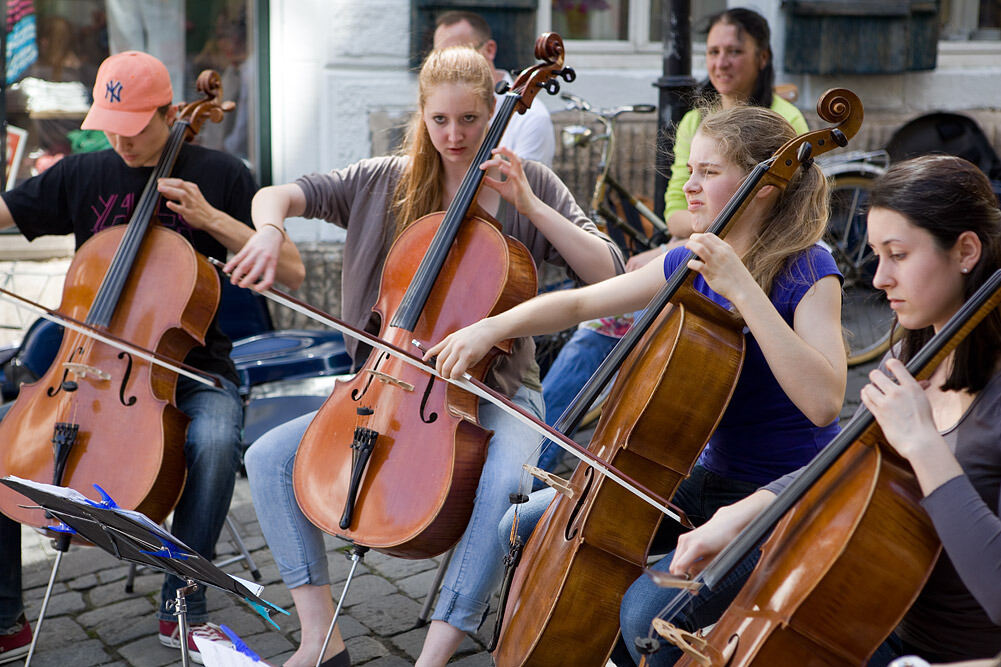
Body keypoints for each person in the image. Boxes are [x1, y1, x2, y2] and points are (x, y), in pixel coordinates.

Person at [233, 46, 623, 667]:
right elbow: (279, 195)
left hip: (497, 389)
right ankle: (319, 640)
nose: (454, 135)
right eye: (440, 121)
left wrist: (531, 205)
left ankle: (435, 654)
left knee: (503, 485)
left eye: (469, 120)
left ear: (494, 112)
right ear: (422, 115)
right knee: (270, 456)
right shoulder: (383, 180)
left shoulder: (527, 181)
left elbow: (608, 272)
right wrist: (270, 231)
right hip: (385, 383)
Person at [428, 103, 845, 661]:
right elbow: (580, 302)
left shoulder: (809, 269)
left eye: (708, 173)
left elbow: (825, 401)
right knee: (524, 524)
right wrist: (491, 327)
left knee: (648, 613)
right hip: (700, 477)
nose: (688, 188)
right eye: (690, 170)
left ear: (762, 186)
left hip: (781, 494)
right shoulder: (688, 261)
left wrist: (743, 288)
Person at [626, 155, 1001, 666]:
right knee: (649, 610)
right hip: (871, 615)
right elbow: (844, 463)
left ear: (966, 251)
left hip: (949, 655)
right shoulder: (909, 358)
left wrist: (924, 448)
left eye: (898, 255)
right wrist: (741, 515)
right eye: (876, 255)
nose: (880, 280)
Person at [0, 50, 305, 665]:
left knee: (216, 441)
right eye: (110, 123)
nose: (121, 140)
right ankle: (8, 615)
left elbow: (291, 269)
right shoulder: (84, 173)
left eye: (135, 127)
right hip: (87, 370)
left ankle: (184, 599)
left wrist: (212, 218)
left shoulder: (222, 173)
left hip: (193, 369)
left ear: (170, 113)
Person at [533, 7, 810, 480]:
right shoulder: (692, 123)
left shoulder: (783, 124)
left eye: (734, 52)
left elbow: (781, 210)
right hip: (693, 249)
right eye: (714, 52)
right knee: (600, 319)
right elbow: (674, 210)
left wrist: (689, 236)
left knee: (624, 305)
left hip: (748, 254)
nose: (721, 63)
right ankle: (543, 453)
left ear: (762, 57)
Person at [433, 10, 556, 166]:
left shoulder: (532, 118)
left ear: (489, 50)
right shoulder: (439, 111)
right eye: (439, 58)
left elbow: (526, 185)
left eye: (460, 55)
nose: (448, 67)